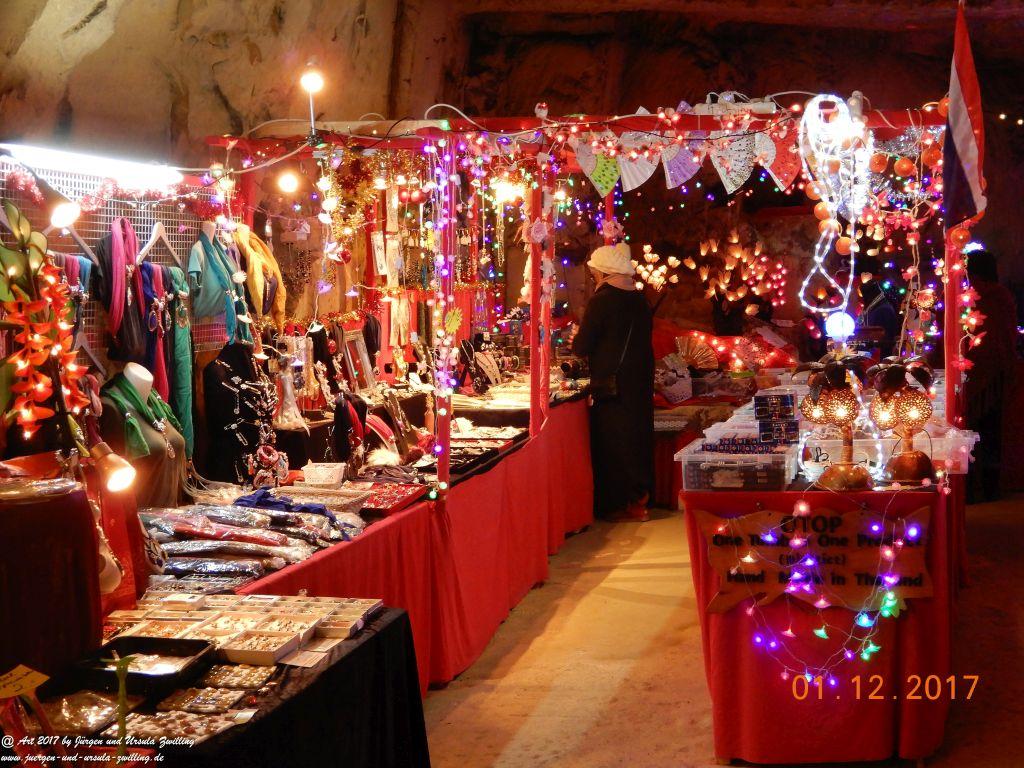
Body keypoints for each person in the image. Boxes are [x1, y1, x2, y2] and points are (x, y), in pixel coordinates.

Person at [572, 242, 654, 521]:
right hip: (638, 381)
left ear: (604, 272)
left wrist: (576, 339)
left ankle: (620, 501)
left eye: (594, 272)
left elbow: (583, 345)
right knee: (637, 437)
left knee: (613, 441)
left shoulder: (602, 300)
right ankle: (640, 496)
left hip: (612, 384)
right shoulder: (639, 299)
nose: (593, 277)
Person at [963, 249, 1018, 501]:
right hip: (986, 373)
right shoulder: (997, 296)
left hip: (986, 374)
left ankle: (983, 487)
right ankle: (983, 486)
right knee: (984, 432)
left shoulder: (989, 297)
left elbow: (1000, 337)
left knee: (983, 433)